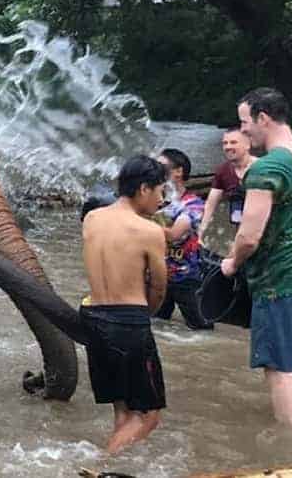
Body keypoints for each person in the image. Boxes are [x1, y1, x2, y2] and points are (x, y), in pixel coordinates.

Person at [221, 87, 292, 428]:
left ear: (262, 118)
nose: (243, 131)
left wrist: (232, 263)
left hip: (279, 281)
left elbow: (249, 236)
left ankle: (289, 454)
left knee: (281, 368)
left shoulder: (267, 168)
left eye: (244, 122)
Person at [80, 154, 169, 454]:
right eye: (160, 191)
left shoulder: (92, 219)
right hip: (128, 321)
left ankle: (117, 463)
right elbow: (158, 286)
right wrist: (146, 314)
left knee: (123, 410)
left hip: (92, 317)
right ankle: (103, 464)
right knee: (148, 415)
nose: (162, 199)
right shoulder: (150, 231)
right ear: (144, 188)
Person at [154, 148, 212, 329]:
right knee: (157, 325)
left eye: (160, 166)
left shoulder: (194, 204)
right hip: (158, 275)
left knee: (201, 328)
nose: (155, 171)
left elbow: (173, 235)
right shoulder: (154, 200)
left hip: (186, 276)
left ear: (178, 171)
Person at [199, 127, 257, 245]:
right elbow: (211, 203)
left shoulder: (263, 168)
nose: (227, 147)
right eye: (225, 143)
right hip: (235, 225)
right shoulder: (222, 170)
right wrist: (202, 229)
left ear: (248, 145)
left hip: (261, 227)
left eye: (233, 142)